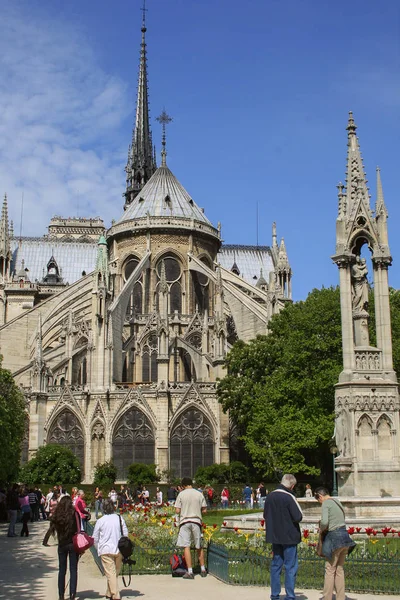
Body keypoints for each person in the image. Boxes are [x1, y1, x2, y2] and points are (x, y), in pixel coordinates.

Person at [263, 474, 303, 600]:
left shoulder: (270, 496)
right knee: (290, 566)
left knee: (276, 565)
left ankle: (274, 595)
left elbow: (265, 515)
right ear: (292, 485)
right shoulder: (289, 497)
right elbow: (298, 517)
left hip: (275, 536)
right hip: (289, 537)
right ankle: (290, 596)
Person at [314, 486, 356, 600]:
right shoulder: (337, 501)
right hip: (344, 537)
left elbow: (324, 521)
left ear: (320, 496)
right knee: (339, 569)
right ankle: (340, 597)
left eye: (318, 499)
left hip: (334, 538)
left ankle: (327, 597)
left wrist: (321, 529)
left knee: (329, 569)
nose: (319, 502)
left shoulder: (326, 503)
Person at [93, 498, 128, 600]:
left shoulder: (100, 521)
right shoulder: (119, 518)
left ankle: (114, 594)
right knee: (113, 573)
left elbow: (95, 538)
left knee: (111, 573)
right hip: (118, 549)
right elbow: (125, 534)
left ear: (103, 508)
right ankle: (111, 593)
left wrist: (98, 548)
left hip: (105, 549)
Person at [175, 477, 207, 579]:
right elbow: (204, 510)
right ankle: (203, 569)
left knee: (186, 546)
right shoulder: (199, 493)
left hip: (185, 521)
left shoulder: (181, 494)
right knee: (199, 546)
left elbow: (177, 510)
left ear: (183, 485)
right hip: (196, 521)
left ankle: (190, 571)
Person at [52, 495, 79, 600]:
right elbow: (78, 528)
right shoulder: (74, 514)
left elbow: (54, 528)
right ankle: (72, 593)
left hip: (62, 543)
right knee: (73, 570)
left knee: (62, 570)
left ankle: (61, 594)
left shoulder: (58, 515)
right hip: (72, 543)